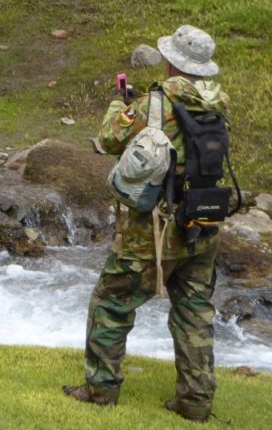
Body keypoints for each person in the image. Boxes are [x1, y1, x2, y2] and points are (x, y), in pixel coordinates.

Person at [63, 25, 230, 423]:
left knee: (110, 303)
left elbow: (106, 140)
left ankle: (100, 389)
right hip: (202, 222)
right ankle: (195, 402)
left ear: (173, 61)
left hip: (153, 230)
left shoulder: (154, 102)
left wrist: (118, 108)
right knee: (194, 313)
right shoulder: (217, 103)